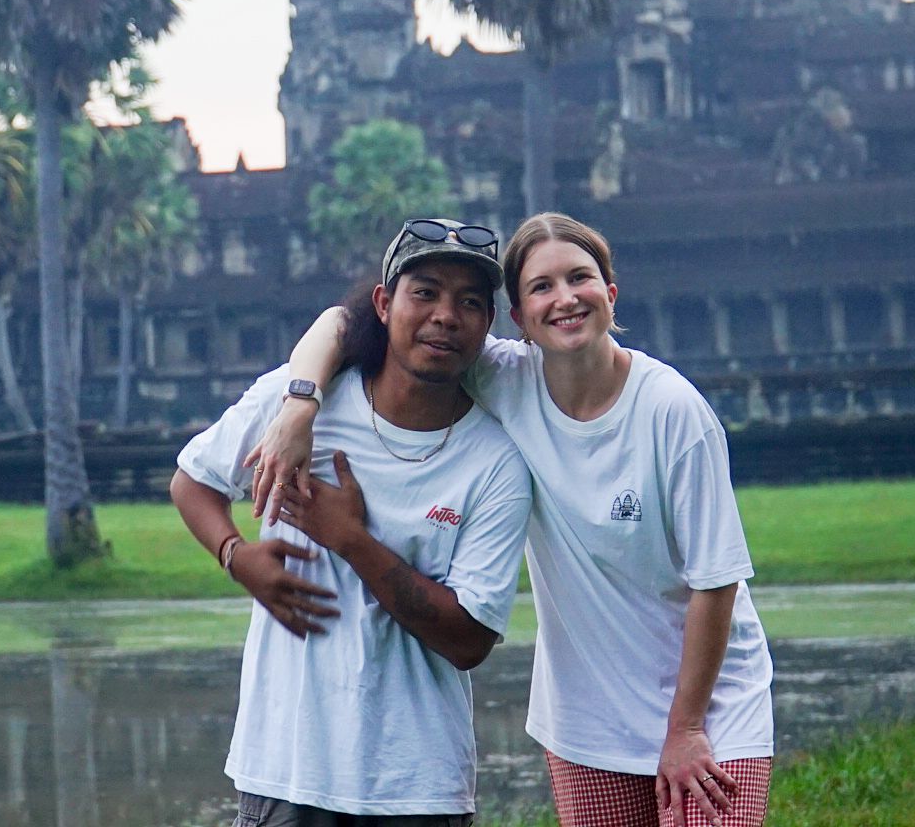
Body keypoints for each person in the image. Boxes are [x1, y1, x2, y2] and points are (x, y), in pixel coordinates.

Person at [252, 213, 774, 827]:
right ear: (520, 320)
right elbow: (345, 323)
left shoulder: (672, 411)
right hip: (590, 714)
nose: (565, 299)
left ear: (610, 293)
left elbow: (716, 581)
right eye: (541, 288)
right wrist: (298, 405)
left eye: (580, 278)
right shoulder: (503, 377)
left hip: (710, 705)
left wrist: (686, 728)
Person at [171, 217, 533, 826]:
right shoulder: (297, 406)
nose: (446, 315)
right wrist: (237, 556)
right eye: (425, 293)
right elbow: (193, 480)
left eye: (470, 302)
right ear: (384, 304)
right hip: (287, 766)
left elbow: (469, 640)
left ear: (487, 327)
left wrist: (349, 538)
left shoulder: (495, 462)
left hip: (416, 784)